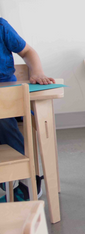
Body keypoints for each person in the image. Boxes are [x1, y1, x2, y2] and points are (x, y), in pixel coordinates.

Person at [0, 17, 54, 202]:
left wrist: (37, 72)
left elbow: (28, 51)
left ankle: (23, 179)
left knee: (3, 121)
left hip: (8, 97)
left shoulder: (1, 26)